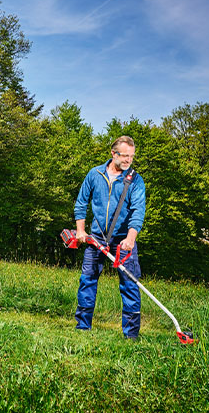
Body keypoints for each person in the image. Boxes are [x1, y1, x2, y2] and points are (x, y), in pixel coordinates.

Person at [73, 135, 146, 339]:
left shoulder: (135, 181)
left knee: (130, 285)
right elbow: (81, 203)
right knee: (87, 280)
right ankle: (82, 327)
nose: (128, 161)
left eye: (131, 157)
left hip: (124, 241)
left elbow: (138, 211)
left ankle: (130, 335)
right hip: (96, 237)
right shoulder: (95, 174)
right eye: (125, 156)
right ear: (113, 154)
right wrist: (81, 231)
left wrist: (131, 239)